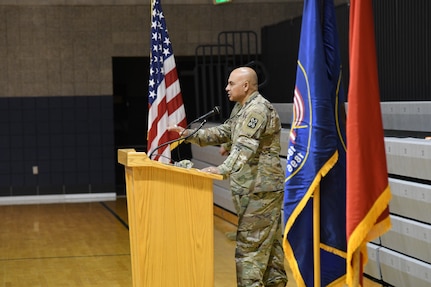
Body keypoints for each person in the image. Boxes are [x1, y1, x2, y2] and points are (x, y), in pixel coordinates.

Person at [169, 67, 287, 287]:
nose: (227, 88)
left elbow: (245, 147)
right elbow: (225, 132)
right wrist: (189, 135)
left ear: (246, 86)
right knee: (269, 250)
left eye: (231, 83)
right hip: (252, 188)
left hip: (259, 190)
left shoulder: (258, 109)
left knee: (249, 251)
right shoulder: (241, 108)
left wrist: (221, 169)